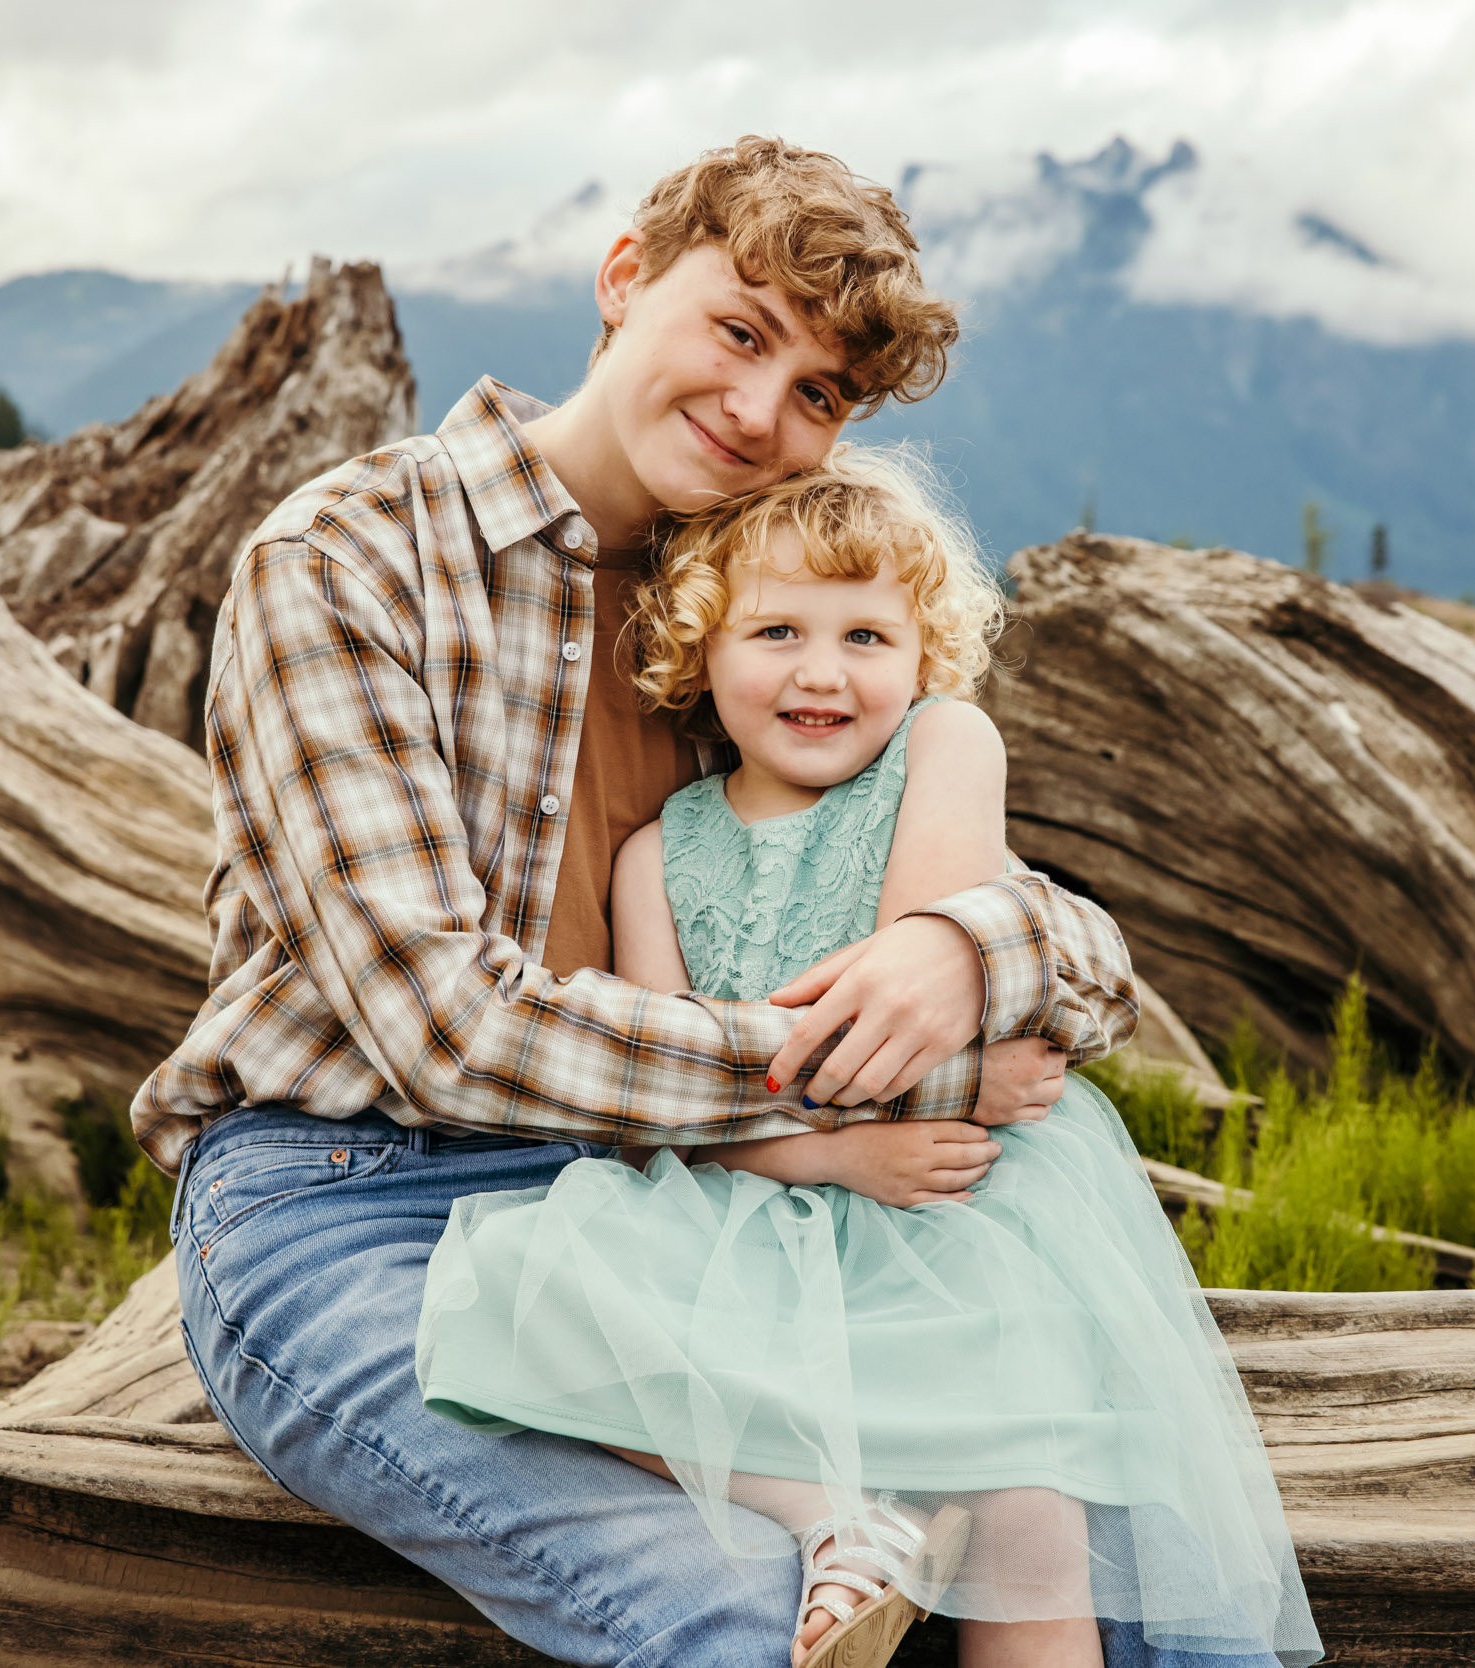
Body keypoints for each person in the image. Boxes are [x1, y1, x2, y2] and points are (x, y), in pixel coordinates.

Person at [136, 137, 1178, 1666]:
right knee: (744, 1618)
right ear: (624, 280)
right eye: (740, 332)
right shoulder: (350, 559)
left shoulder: (768, 619)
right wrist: (925, 1063)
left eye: (821, 393)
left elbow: (1076, 955)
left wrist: (967, 948)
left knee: (1089, 1556)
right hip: (353, 1197)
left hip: (699, 1203)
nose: (763, 411)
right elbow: (447, 1029)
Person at [416, 450, 1324, 1668]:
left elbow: (910, 985)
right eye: (777, 630)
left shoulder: (947, 749)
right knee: (520, 1314)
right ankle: (840, 1517)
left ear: (922, 657)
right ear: (700, 652)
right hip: (761, 1193)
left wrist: (894, 1114)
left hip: (950, 1221)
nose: (821, 672)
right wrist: (832, 1153)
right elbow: (653, 1099)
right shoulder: (656, 853)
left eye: (866, 637)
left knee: (1026, 1508)